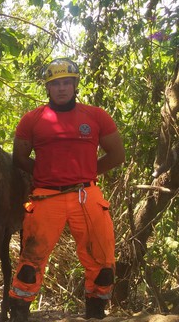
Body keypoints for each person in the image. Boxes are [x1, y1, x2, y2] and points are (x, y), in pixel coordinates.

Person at [8, 58, 125, 321]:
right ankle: (19, 312)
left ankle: (95, 311)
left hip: (87, 194)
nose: (61, 88)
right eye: (55, 84)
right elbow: (19, 159)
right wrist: (46, 174)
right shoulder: (32, 120)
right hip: (46, 196)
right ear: (48, 88)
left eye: (66, 83)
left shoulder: (96, 116)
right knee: (31, 259)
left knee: (102, 259)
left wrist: (86, 173)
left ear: (75, 84)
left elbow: (116, 155)